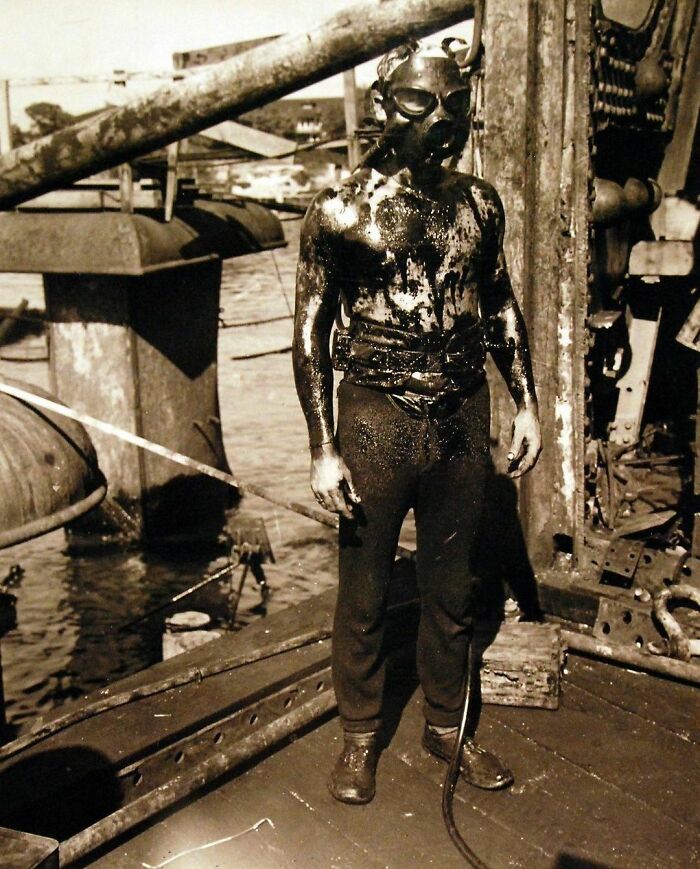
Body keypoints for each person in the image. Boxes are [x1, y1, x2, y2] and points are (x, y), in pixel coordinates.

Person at [292, 38, 541, 805]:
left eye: (454, 106)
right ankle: (360, 736)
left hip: (463, 411)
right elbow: (308, 334)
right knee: (363, 589)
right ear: (381, 109)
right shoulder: (338, 214)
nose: (440, 120)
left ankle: (446, 725)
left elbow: (497, 301)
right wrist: (322, 448)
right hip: (376, 416)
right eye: (418, 103)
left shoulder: (479, 204)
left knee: (455, 583)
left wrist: (526, 400)